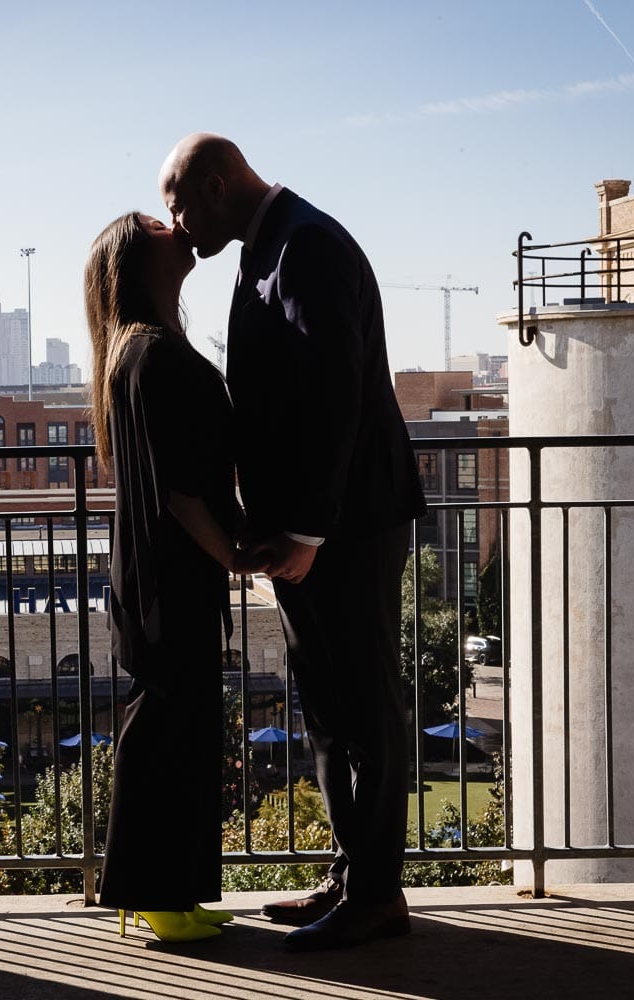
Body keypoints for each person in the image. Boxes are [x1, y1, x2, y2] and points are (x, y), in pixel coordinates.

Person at [159, 133, 427, 952]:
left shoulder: (306, 243)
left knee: (366, 706)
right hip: (310, 531)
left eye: (177, 203)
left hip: (346, 527)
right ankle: (353, 876)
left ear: (213, 184)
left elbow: (336, 390)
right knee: (328, 707)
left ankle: (379, 895)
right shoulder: (268, 246)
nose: (175, 225)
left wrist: (308, 528)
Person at [85, 211, 264, 943]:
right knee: (163, 730)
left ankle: (174, 890)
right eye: (159, 223)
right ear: (135, 259)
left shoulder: (140, 351)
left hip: (166, 572)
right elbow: (179, 489)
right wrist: (234, 555)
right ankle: (148, 893)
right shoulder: (151, 356)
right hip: (171, 574)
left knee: (183, 729)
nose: (177, 226)